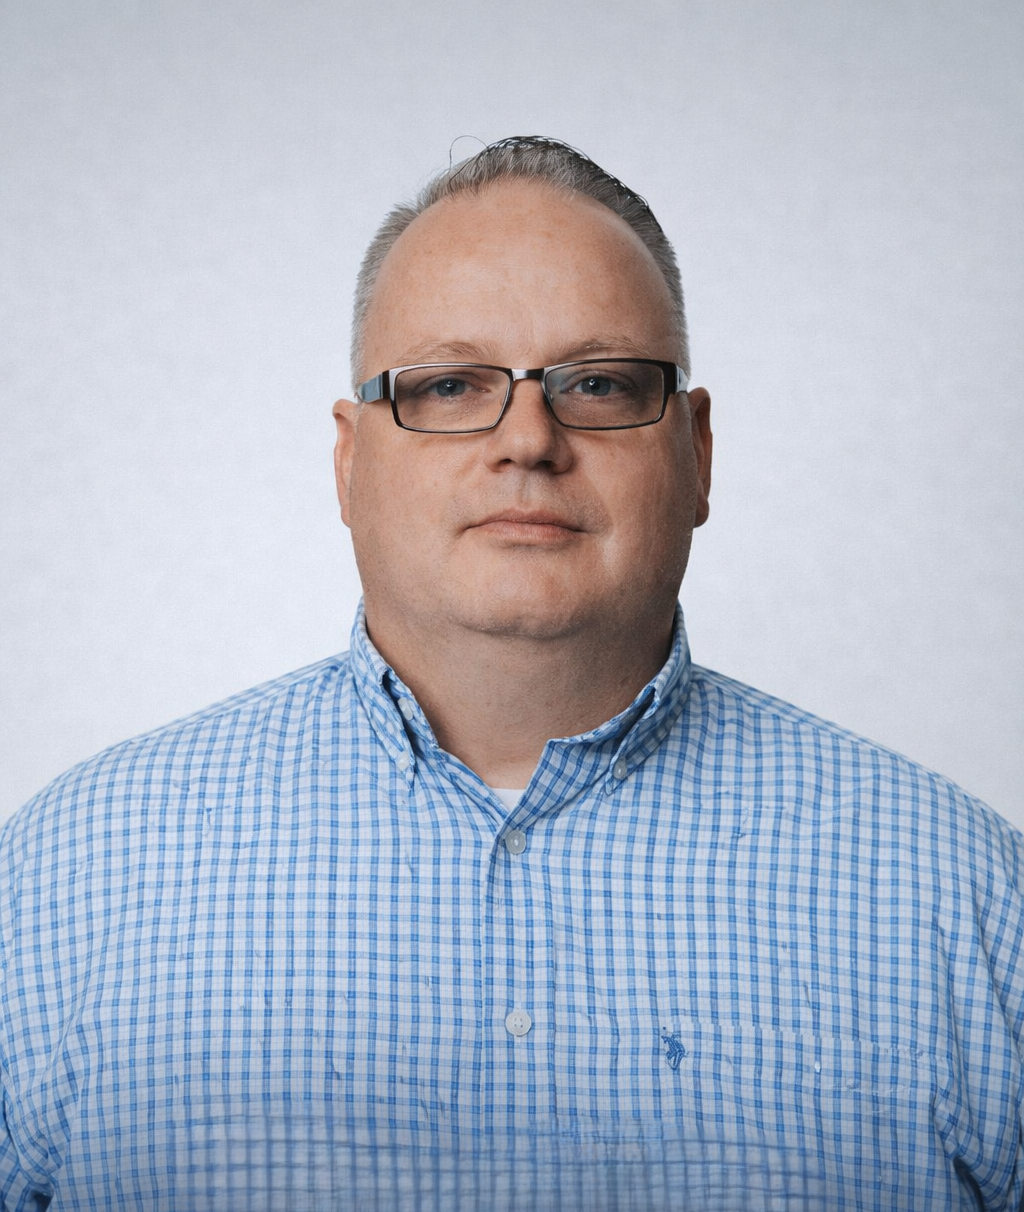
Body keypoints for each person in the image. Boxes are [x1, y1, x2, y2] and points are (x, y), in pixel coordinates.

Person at [1, 136, 1021, 1211]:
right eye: (448, 385)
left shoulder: (963, 899)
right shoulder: (63, 884)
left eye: (599, 383)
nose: (527, 439)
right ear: (349, 463)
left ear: (698, 451)